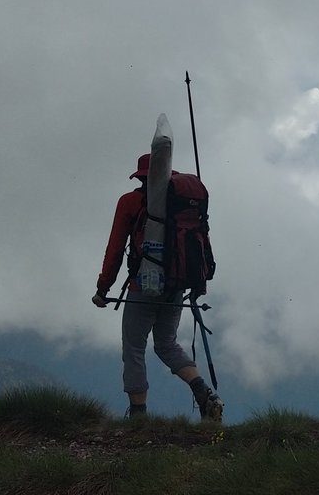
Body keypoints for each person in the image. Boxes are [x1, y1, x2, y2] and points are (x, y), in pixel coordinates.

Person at [92, 153, 224, 421]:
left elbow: (115, 249)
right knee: (167, 344)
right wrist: (200, 284)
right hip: (176, 285)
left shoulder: (130, 202)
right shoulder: (181, 206)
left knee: (134, 348)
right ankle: (202, 391)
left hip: (142, 287)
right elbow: (201, 243)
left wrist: (103, 289)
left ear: (142, 177)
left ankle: (138, 416)